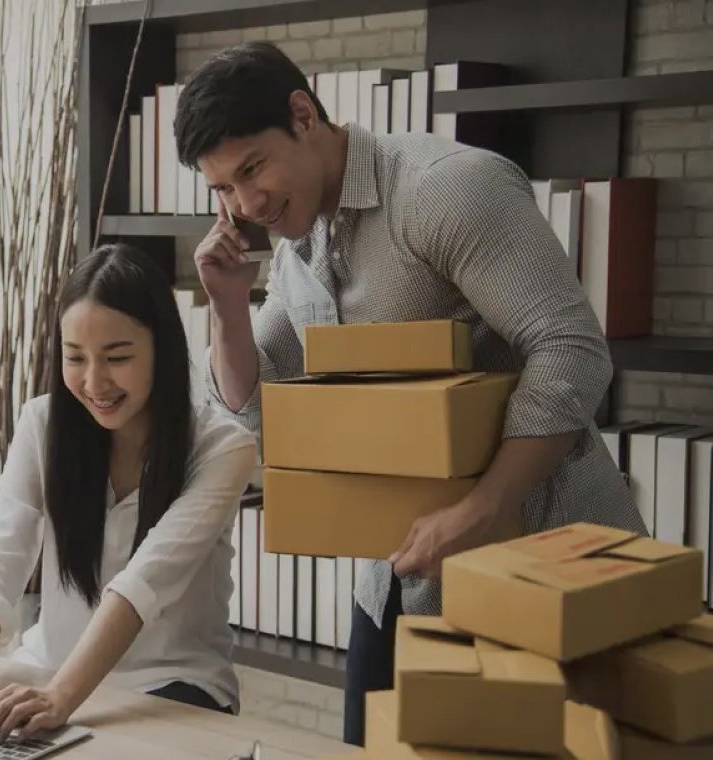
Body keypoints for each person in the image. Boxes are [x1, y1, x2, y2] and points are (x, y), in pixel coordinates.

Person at [173, 42, 645, 746]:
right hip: (396, 582)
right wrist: (230, 309)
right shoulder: (301, 245)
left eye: (251, 170)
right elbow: (254, 409)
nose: (246, 205)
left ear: (303, 115)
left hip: (539, 566)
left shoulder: (444, 189)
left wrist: (481, 508)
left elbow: (572, 352)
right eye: (223, 190)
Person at [0, 243, 258, 744]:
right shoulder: (41, 425)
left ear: (163, 349)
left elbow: (143, 583)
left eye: (117, 358)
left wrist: (61, 698)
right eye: (75, 358)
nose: (94, 382)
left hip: (170, 688)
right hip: (44, 672)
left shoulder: (224, 447)